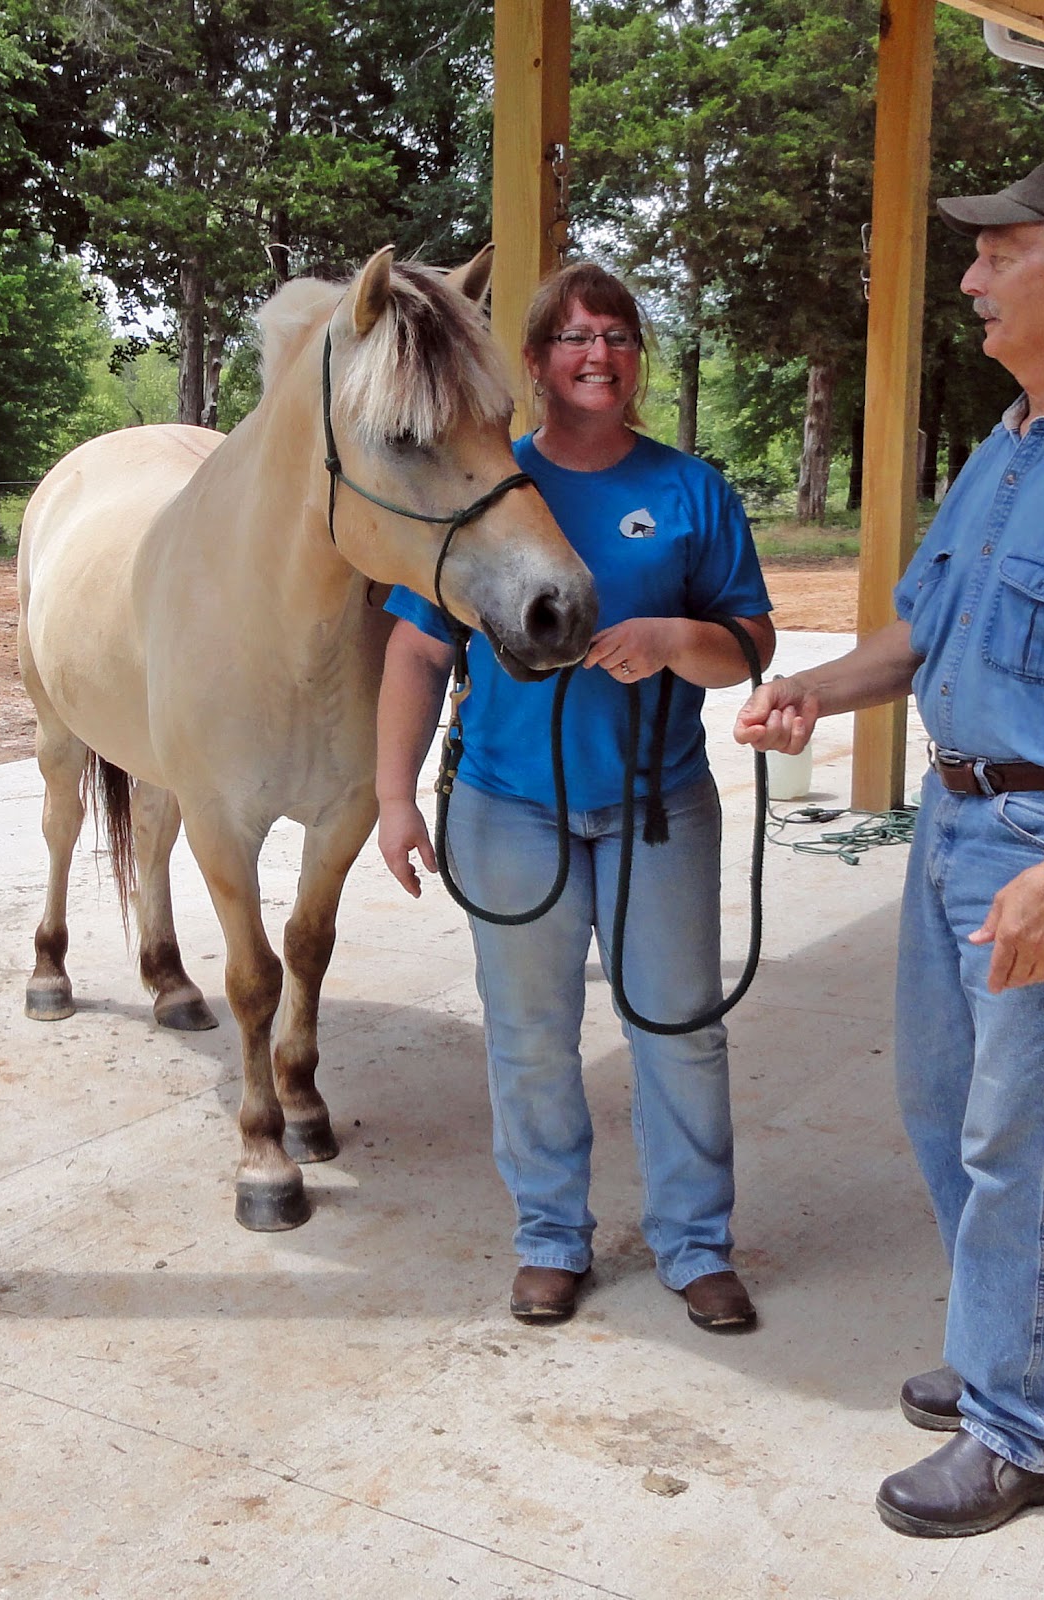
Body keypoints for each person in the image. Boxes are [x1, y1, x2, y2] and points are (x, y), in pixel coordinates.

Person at [735, 160, 1044, 1535]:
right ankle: (1043, 1349)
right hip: (953, 828)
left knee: (1018, 1139)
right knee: (944, 1117)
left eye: (994, 254)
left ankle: (1017, 1435)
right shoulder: (1006, 448)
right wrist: (815, 693)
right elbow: (921, 632)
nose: (966, 279)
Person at [377, 262, 775, 1333]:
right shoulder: (485, 483)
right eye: (572, 336)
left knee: (678, 1027)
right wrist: (395, 796)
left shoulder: (692, 491)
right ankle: (552, 1237)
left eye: (617, 334)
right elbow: (417, 652)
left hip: (660, 807)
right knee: (530, 1033)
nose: (597, 353)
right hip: (510, 807)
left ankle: (696, 1245)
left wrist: (673, 640)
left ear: (636, 356)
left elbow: (749, 644)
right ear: (539, 361)